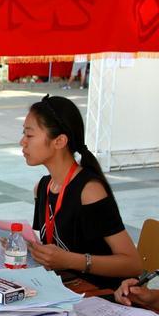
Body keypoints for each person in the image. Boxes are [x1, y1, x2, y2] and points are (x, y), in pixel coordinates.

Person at [21, 95, 142, 290]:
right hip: (64, 289)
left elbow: (132, 264)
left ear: (59, 141)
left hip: (103, 294)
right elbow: (52, 248)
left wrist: (70, 260)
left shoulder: (89, 191)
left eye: (29, 135)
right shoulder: (42, 188)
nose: (22, 142)